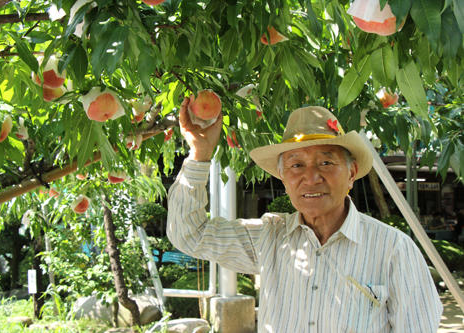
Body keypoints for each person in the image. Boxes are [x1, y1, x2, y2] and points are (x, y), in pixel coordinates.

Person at [167, 99, 443, 332]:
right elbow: (190, 234)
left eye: (326, 162)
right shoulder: (270, 238)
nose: (311, 177)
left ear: (351, 174)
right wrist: (200, 155)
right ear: (284, 179)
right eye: (296, 165)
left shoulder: (393, 249)